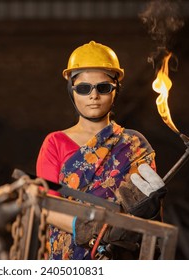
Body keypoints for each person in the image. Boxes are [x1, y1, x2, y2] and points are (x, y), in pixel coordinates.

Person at [36, 41, 166, 260]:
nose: (93, 96)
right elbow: (45, 207)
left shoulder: (134, 144)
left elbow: (145, 209)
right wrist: (88, 228)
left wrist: (149, 209)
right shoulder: (55, 143)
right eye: (84, 88)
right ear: (72, 90)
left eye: (103, 87)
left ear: (115, 90)